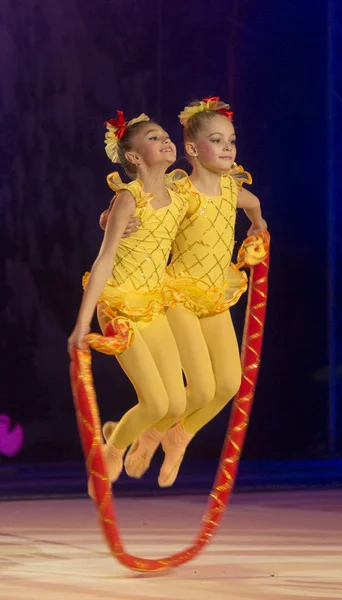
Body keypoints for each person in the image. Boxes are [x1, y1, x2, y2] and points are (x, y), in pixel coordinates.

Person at [100, 98, 267, 487]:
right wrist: (109, 217)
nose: (228, 148)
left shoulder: (229, 187)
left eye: (231, 140)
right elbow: (143, 203)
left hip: (213, 295)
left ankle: (178, 436)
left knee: (229, 384)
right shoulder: (181, 190)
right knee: (200, 387)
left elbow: (253, 201)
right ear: (191, 149)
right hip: (176, 295)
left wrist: (258, 224)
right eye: (217, 140)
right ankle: (149, 434)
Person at [68, 111, 189, 492]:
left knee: (175, 404)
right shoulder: (127, 199)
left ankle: (120, 431)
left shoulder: (182, 194)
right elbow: (103, 260)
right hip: (120, 305)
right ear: (134, 157)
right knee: (154, 403)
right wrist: (82, 323)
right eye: (154, 138)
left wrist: (256, 220)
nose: (166, 141)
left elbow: (219, 201)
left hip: (153, 306)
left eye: (166, 135)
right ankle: (112, 450)